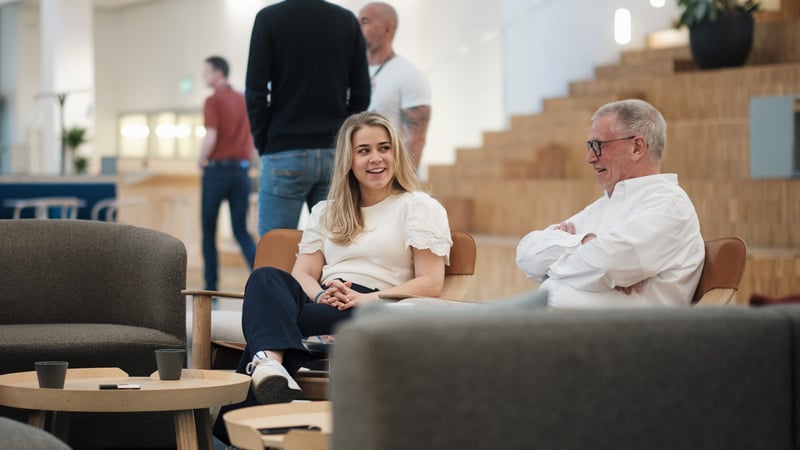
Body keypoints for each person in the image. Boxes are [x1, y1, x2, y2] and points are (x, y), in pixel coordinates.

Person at [212, 111, 451, 442]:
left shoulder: (418, 206)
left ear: (396, 152)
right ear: (349, 159)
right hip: (324, 302)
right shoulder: (327, 210)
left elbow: (430, 282)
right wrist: (319, 295)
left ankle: (257, 385)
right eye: (363, 150)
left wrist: (364, 298)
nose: (376, 158)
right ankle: (269, 366)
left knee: (267, 329)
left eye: (384, 148)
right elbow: (303, 273)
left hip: (377, 306)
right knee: (265, 277)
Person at [515, 99, 705, 308]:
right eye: (589, 146)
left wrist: (555, 262)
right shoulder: (605, 205)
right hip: (556, 327)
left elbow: (607, 265)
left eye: (598, 146)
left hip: (619, 337)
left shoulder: (670, 205)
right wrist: (582, 243)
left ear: (636, 147)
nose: (589, 158)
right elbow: (526, 254)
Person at [246, 0, 371, 237]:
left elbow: (255, 90)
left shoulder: (268, 18)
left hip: (284, 149)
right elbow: (361, 92)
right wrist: (345, 137)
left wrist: (265, 142)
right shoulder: (346, 21)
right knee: (334, 251)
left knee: (274, 253)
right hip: (334, 151)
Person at [198, 56, 257, 291]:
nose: (204, 76)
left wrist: (200, 160)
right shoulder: (243, 100)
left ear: (218, 73)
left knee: (209, 230)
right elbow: (252, 141)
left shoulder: (212, 101)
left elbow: (211, 137)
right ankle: (261, 277)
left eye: (206, 72)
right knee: (241, 229)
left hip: (217, 173)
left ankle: (210, 288)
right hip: (241, 173)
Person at [358, 2, 432, 170]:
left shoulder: (408, 75)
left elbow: (416, 138)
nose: (357, 28)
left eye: (365, 21)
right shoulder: (349, 72)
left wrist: (402, 186)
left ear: (387, 29)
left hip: (389, 175)